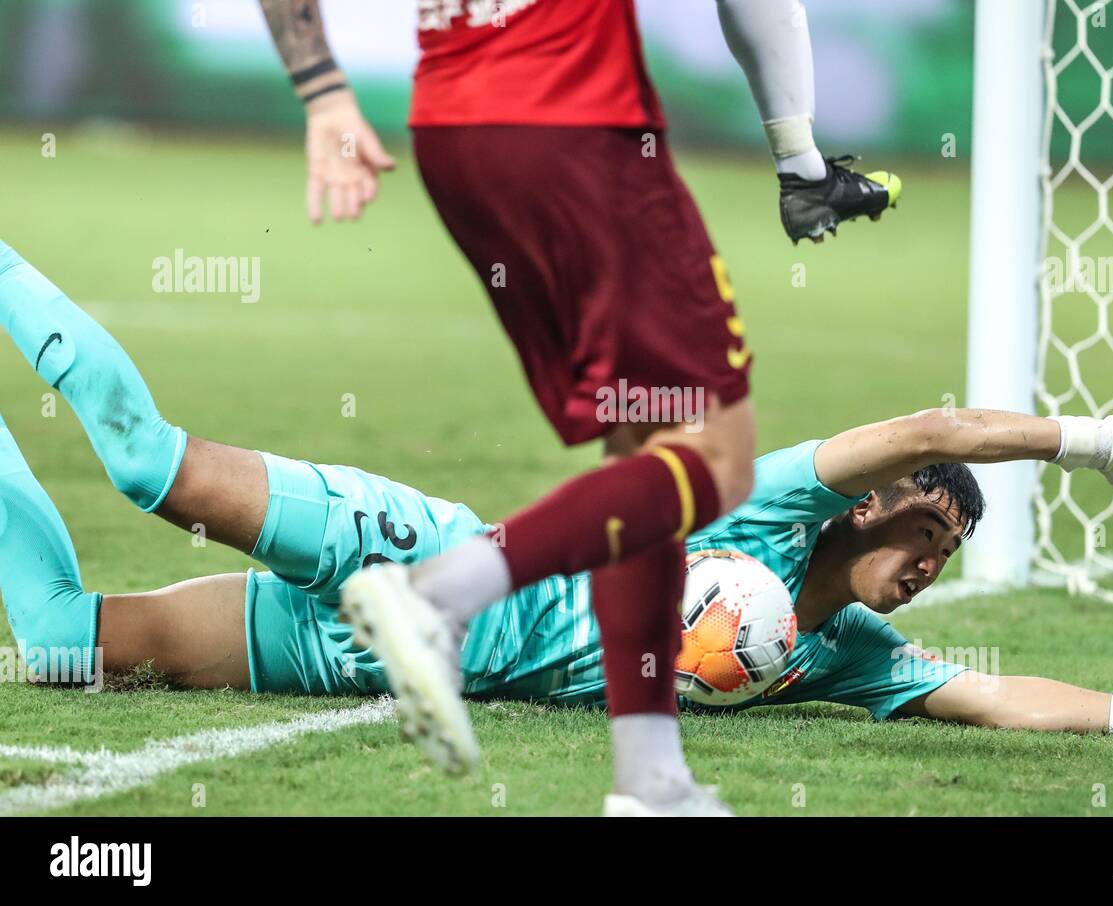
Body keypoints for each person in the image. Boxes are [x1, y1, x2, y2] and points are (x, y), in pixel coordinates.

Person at [3, 245, 1113, 817]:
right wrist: (1088, 436)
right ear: (868, 503)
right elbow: (922, 423)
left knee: (67, 646)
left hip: (363, 659)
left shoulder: (839, 659)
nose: (934, 556)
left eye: (948, 551)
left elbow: (995, 706)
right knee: (146, 467)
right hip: (410, 551)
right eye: (927, 522)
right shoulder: (768, 499)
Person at [255, 0, 898, 814]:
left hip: (456, 133)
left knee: (645, 446)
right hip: (578, 130)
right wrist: (800, 159)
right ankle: (436, 598)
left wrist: (323, 93)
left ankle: (651, 779)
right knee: (714, 456)